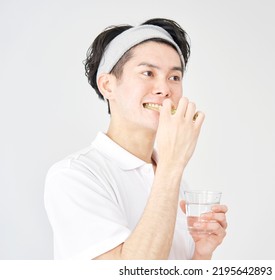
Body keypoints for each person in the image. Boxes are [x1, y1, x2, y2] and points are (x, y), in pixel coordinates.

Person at [44, 18, 228, 260]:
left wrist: (201, 255)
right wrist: (172, 165)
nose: (164, 89)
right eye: (148, 73)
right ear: (108, 85)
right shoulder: (74, 176)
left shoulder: (175, 181)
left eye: (174, 77)